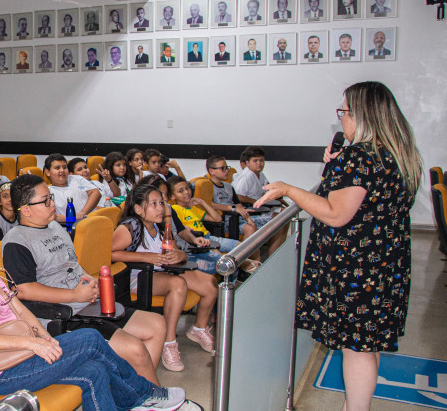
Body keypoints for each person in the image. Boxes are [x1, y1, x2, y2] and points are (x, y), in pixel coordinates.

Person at [0, 206, 197, 411]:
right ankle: (146, 395)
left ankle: (140, 401)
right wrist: (34, 344)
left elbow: (19, 309)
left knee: (95, 371)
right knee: (89, 339)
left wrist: (44, 336)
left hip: (19, 353)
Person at [254, 81, 422, 411]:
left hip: (357, 268)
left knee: (356, 350)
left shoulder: (359, 157)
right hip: (384, 263)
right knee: (366, 345)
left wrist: (289, 189)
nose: (340, 119)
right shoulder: (398, 154)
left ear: (362, 115)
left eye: (343, 111)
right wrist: (338, 166)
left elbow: (335, 214)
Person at [3, 175, 168, 385]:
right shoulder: (17, 241)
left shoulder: (54, 227)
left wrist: (90, 281)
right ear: (25, 209)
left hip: (86, 302)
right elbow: (24, 290)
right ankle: (148, 395)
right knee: (136, 349)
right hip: (63, 314)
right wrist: (74, 295)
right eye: (45, 201)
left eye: (50, 197)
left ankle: (138, 390)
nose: (53, 203)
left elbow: (72, 264)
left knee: (156, 324)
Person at [111, 184, 218, 371]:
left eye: (161, 202)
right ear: (138, 208)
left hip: (161, 272)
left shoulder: (157, 227)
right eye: (153, 204)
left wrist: (180, 256)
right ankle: (169, 342)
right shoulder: (129, 227)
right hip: (137, 277)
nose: (161, 208)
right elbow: (111, 254)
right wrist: (145, 257)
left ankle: (199, 328)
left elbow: (176, 251)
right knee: (178, 284)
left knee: (209, 283)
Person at [232, 146, 287, 256]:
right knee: (279, 219)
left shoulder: (260, 175)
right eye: (255, 161)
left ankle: (278, 251)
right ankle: (273, 255)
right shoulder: (246, 176)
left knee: (285, 215)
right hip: (246, 215)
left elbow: (267, 188)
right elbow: (237, 196)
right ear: (247, 163)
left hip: (259, 210)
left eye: (261, 160)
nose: (259, 163)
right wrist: (254, 201)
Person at [42, 155, 101, 223]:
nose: (62, 170)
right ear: (47, 172)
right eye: (57, 168)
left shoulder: (77, 178)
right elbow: (53, 216)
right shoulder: (48, 192)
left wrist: (82, 213)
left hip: (93, 220)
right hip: (70, 227)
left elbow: (96, 193)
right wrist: (74, 218)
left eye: (64, 167)